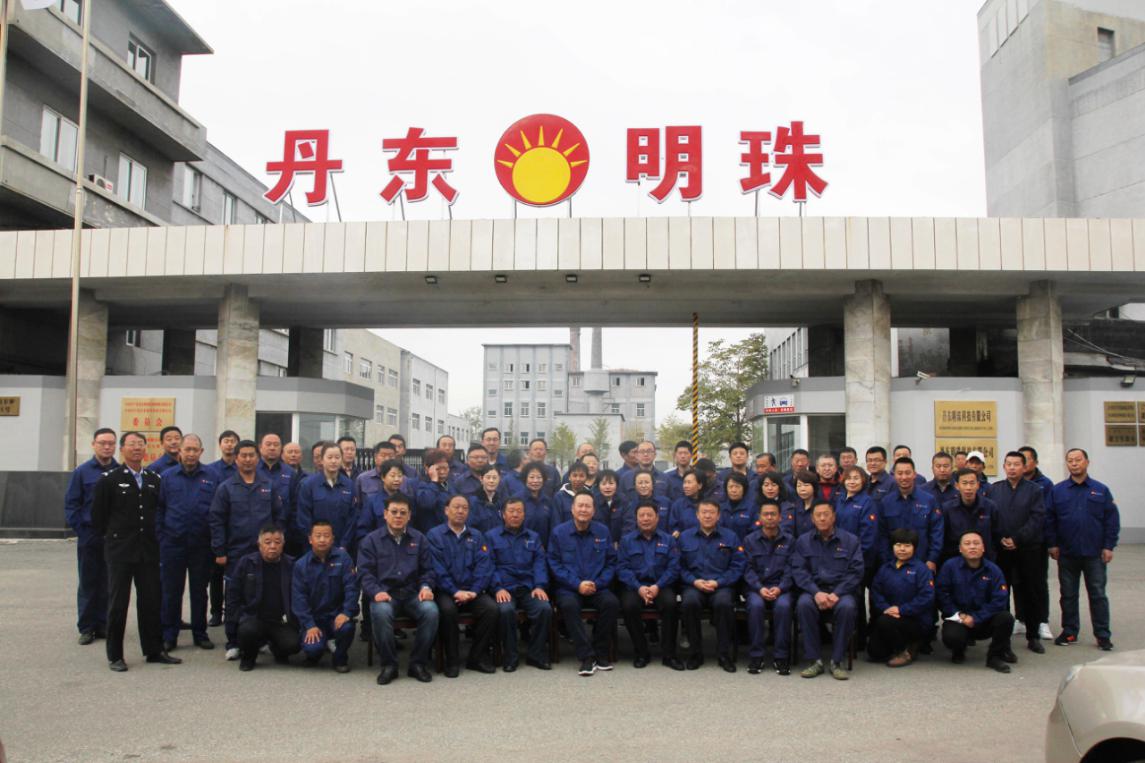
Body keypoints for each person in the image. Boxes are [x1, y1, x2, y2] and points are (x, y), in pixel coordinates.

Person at [91, 431, 180, 672]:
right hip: (121, 551)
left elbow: (159, 512)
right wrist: (113, 540)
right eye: (132, 444)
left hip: (148, 550)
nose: (137, 448)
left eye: (140, 444)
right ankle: (115, 655)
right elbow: (98, 518)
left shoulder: (153, 478)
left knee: (151, 601)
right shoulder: (109, 480)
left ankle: (153, 649)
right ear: (122, 449)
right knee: (118, 604)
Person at [209, 439, 286, 659]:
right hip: (236, 551)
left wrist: (276, 543)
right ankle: (233, 641)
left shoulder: (268, 485)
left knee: (263, 595)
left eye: (251, 455)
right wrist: (220, 550)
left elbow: (279, 516)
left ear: (257, 458)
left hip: (264, 552)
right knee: (234, 598)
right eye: (243, 455)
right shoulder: (226, 487)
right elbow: (216, 519)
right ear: (236, 459)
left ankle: (259, 640)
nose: (248, 459)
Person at [357, 493, 438, 685]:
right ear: (385, 514)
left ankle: (417, 663)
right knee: (381, 612)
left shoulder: (419, 539)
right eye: (394, 512)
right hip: (385, 593)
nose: (398, 516)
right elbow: (364, 573)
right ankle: (389, 665)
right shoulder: (371, 540)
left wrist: (426, 587)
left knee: (431, 611)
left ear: (409, 516)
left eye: (403, 512)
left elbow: (428, 570)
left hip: (412, 594)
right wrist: (375, 591)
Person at [1047, 448, 1119, 651]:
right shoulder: (1058, 491)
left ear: (1087, 462)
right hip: (1067, 552)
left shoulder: (1101, 490)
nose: (1074, 463)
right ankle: (1070, 631)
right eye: (1070, 460)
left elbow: (1111, 520)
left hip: (1094, 553)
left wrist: (1108, 546)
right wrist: (1052, 544)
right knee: (1068, 595)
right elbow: (1050, 519)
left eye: (1078, 460)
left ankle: (1103, 635)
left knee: (1098, 594)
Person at [548, 490, 619, 677]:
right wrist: (577, 584)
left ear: (593, 511)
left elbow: (611, 562)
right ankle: (586, 656)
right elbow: (554, 564)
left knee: (611, 603)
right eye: (580, 505)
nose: (583, 509)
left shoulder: (602, 531)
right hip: (569, 588)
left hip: (597, 586)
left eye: (588, 506)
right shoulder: (559, 533)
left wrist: (597, 583)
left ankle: (601, 652)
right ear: (572, 509)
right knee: (569, 606)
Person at [156, 434, 217, 651]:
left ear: (201, 452)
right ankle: (169, 634)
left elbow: (218, 510)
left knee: (199, 591)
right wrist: (161, 537)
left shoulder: (212, 476)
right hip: (173, 543)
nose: (191, 454)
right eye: (187, 449)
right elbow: (159, 509)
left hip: (201, 544)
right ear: (179, 451)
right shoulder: (167, 477)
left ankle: (200, 633)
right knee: (171, 591)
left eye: (195, 450)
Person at [791, 501, 863, 680]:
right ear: (812, 519)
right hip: (814, 591)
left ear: (834, 517)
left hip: (841, 592)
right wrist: (816, 593)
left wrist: (836, 594)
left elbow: (856, 572)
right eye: (818, 515)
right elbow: (799, 571)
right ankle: (814, 660)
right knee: (803, 605)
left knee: (847, 608)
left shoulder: (851, 541)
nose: (822, 518)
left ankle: (837, 661)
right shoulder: (803, 541)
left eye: (826, 514)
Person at [427, 495, 498, 676]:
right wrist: (455, 591)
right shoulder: (435, 535)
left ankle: (476, 657)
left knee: (491, 609)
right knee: (447, 611)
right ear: (446, 510)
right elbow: (436, 569)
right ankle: (452, 660)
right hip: (446, 590)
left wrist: (474, 591)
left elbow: (484, 566)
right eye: (456, 507)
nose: (460, 511)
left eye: (465, 508)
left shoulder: (477, 536)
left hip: (472, 590)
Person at [990, 450, 1049, 655]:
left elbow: (1037, 518)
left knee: (1030, 592)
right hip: (1001, 550)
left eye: (1016, 464)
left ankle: (1033, 636)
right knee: (1002, 592)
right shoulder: (995, 490)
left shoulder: (1035, 490)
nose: (1012, 468)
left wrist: (1017, 539)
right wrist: (1001, 538)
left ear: (1024, 467)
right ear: (1004, 467)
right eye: (1009, 464)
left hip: (1027, 549)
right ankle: (1003, 637)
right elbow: (991, 518)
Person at [678, 498, 746, 672]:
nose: (707, 516)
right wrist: (694, 581)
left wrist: (718, 582)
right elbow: (678, 566)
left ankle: (723, 654)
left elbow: (737, 566)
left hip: (721, 585)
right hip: (694, 585)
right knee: (689, 603)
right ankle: (695, 653)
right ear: (697, 515)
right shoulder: (685, 537)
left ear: (718, 516)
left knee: (724, 604)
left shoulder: (730, 536)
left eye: (711, 512)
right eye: (704, 512)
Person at [65, 427, 117, 645]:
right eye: (102, 443)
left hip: (113, 536)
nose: (107, 447)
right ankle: (86, 627)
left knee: (109, 582)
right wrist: (81, 530)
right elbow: (72, 504)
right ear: (94, 445)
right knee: (88, 581)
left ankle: (103, 624)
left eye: (111, 443)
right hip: (89, 535)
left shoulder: (119, 472)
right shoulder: (82, 472)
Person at [487, 497, 551, 671]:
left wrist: (539, 585)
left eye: (519, 511)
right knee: (506, 611)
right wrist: (497, 588)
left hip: (528, 587)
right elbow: (489, 565)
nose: (515, 515)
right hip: (504, 588)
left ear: (524, 515)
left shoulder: (533, 537)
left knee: (544, 608)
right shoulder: (491, 536)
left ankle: (535, 655)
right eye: (511, 511)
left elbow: (540, 563)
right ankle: (510, 657)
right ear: (503, 514)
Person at [936, 530, 1015, 673]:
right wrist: (960, 615)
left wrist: (977, 618)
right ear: (960, 549)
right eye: (967, 544)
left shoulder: (993, 570)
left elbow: (1000, 600)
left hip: (984, 619)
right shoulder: (950, 567)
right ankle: (959, 650)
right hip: (959, 619)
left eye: (976, 543)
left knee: (1006, 618)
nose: (972, 547)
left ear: (983, 548)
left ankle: (994, 657)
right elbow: (942, 595)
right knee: (952, 636)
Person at [618, 502, 682, 670]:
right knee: (629, 606)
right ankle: (641, 652)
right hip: (635, 586)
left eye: (649, 515)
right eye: (642, 515)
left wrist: (657, 586)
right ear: (636, 518)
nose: (645, 519)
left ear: (657, 518)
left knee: (670, 604)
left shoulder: (668, 540)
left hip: (661, 585)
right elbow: (622, 568)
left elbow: (674, 568)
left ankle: (669, 655)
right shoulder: (626, 540)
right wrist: (639, 587)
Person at [227, 524, 299, 671]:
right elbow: (233, 595)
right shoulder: (246, 563)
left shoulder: (291, 565)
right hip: (253, 617)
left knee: (294, 644)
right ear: (259, 544)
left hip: (279, 620)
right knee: (247, 631)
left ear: (283, 544)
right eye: (267, 542)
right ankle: (249, 657)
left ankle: (277, 649)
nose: (272, 546)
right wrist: (235, 622)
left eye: (277, 542)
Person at [292, 520, 358, 672]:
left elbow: (352, 588)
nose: (322, 540)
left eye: (326, 536)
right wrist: (309, 625)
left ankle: (340, 658)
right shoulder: (301, 565)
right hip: (315, 618)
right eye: (318, 536)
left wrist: (346, 612)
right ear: (310, 539)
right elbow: (299, 599)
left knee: (347, 628)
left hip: (336, 616)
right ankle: (315, 653)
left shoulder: (343, 558)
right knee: (313, 648)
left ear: (332, 539)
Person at [868, 528, 934, 667]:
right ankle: (896, 645)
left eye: (907, 545)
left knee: (885, 622)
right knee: (875, 653)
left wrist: (901, 610)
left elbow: (926, 596)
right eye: (898, 545)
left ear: (914, 548)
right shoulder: (885, 568)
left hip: (915, 619)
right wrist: (886, 608)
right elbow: (875, 591)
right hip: (890, 614)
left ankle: (906, 650)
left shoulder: (922, 569)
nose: (902, 549)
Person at [742, 501, 795, 675]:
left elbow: (792, 568)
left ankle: (781, 656)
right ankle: (756, 656)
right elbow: (747, 569)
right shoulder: (750, 540)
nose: (770, 517)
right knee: (756, 606)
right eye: (766, 514)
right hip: (757, 588)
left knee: (784, 606)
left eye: (773, 514)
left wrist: (780, 588)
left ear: (780, 517)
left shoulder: (789, 540)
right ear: (760, 517)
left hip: (782, 588)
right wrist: (759, 588)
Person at [876, 457, 943, 571]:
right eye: (900, 473)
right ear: (894, 475)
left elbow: (936, 532)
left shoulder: (929, 500)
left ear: (914, 474)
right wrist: (887, 561)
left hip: (923, 563)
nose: (904, 477)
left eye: (907, 473)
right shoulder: (886, 502)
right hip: (894, 564)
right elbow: (882, 535)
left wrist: (932, 559)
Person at [295, 443, 359, 552]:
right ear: (322, 460)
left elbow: (352, 518)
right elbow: (303, 518)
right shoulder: (308, 485)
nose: (333, 461)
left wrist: (344, 544)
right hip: (314, 547)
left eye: (337, 457)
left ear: (341, 460)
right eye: (329, 457)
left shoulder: (349, 485)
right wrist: (314, 541)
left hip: (341, 547)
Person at [206, 429, 239, 627]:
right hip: (217, 528)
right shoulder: (210, 470)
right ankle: (216, 612)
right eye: (226, 441)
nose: (229, 444)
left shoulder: (242, 468)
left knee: (235, 575)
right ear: (220, 444)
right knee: (216, 575)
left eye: (233, 441)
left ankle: (232, 611)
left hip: (236, 529)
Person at [940, 468, 995, 566]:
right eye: (964, 483)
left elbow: (996, 536)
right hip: (955, 562)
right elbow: (943, 537)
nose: (968, 487)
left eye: (972, 483)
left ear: (978, 485)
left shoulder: (990, 507)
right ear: (957, 486)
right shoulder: (947, 509)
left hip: (985, 562)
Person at [468, 465, 508, 533]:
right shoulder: (473, 501)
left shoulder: (502, 501)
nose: (491, 481)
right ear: (481, 479)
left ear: (499, 479)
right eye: (488, 477)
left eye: (494, 478)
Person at [781, 470, 819, 539]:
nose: (802, 489)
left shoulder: (821, 507)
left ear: (814, 487)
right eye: (799, 486)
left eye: (806, 485)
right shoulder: (793, 507)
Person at [719, 472, 756, 542]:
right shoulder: (720, 507)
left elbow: (754, 532)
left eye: (737, 487)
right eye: (730, 487)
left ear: (744, 488)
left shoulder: (752, 507)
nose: (734, 490)